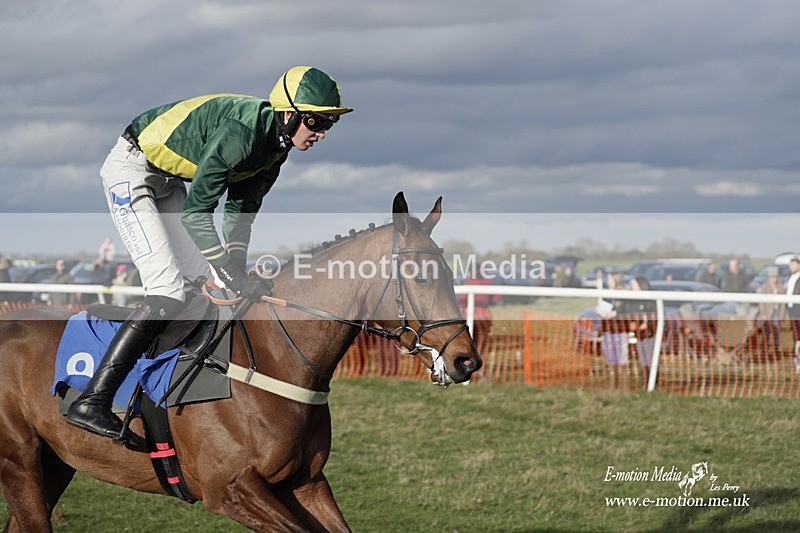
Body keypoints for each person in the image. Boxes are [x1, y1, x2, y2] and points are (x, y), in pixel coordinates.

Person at [66, 66, 352, 444]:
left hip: (166, 181)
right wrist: (228, 268)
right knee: (167, 289)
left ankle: (170, 385)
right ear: (288, 114)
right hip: (130, 170)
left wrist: (234, 267)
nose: (320, 134)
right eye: (315, 121)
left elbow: (239, 214)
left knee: (205, 287)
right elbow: (197, 213)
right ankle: (93, 400)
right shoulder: (242, 135)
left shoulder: (275, 150)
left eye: (328, 125)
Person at [619, 276, 657, 389]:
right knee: (643, 359)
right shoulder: (632, 301)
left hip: (650, 334)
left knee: (650, 359)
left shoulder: (650, 301)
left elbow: (655, 316)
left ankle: (653, 382)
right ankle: (645, 382)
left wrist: (647, 324)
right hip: (639, 335)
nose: (632, 286)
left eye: (634, 284)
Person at [597, 272, 630, 388]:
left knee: (622, 359)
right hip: (608, 330)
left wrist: (616, 313)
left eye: (610, 279)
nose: (608, 282)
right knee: (610, 359)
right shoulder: (607, 294)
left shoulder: (625, 294)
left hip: (620, 331)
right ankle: (612, 385)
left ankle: (623, 386)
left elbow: (629, 311)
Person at [757, 266, 786, 357]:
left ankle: (776, 351)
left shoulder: (781, 287)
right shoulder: (765, 286)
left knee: (776, 333)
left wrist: (782, 315)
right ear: (769, 278)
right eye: (772, 277)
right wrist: (763, 314)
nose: (774, 279)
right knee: (766, 333)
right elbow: (762, 302)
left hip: (777, 313)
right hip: (768, 313)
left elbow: (783, 303)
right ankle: (764, 352)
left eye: (775, 277)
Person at [785, 257, 800, 369]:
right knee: (795, 336)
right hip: (791, 309)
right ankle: (796, 358)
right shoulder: (790, 277)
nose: (791, 267)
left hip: (798, 310)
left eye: (793, 265)